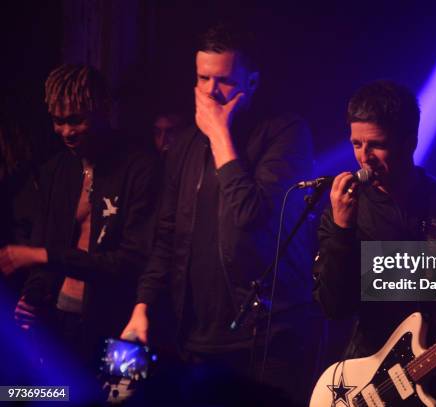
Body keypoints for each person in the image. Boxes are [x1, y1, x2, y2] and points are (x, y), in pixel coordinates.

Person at [121, 23, 320, 404]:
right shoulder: (184, 145)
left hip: (262, 339)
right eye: (202, 78)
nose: (211, 91)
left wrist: (219, 136)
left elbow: (251, 218)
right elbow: (168, 233)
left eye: (224, 81)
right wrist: (142, 304)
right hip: (197, 337)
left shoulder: (285, 133)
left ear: (253, 81)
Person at [312, 80, 436, 405]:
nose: (364, 157)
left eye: (376, 145)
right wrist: (342, 229)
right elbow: (334, 308)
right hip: (371, 384)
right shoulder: (346, 212)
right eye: (356, 144)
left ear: (410, 142)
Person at [0, 64, 158, 368]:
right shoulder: (57, 170)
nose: (66, 132)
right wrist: (31, 296)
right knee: (47, 397)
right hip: (58, 321)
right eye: (58, 122)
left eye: (76, 120)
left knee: (117, 401)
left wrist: (41, 255)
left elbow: (131, 261)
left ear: (102, 110)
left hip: (121, 323)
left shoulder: (139, 168)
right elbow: (44, 240)